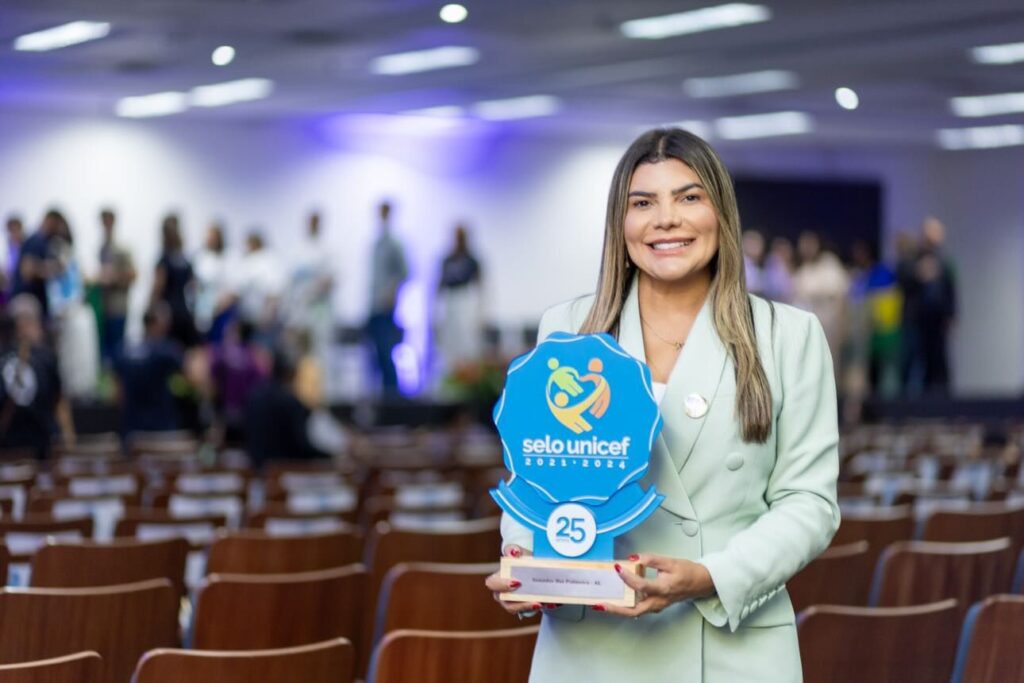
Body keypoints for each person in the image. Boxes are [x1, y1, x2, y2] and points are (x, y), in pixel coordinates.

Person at [485, 128, 839, 682]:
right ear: (619, 225)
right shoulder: (568, 327)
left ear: (721, 214)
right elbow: (536, 472)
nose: (666, 219)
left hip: (728, 645)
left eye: (689, 197)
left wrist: (709, 575)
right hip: (590, 648)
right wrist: (525, 564)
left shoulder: (787, 336)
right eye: (643, 203)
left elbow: (809, 502)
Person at [0, 294, 75, 458]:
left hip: (5, 454)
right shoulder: (46, 357)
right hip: (39, 453)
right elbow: (59, 403)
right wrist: (69, 440)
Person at [243, 346, 330, 469]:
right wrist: (330, 457)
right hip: (283, 473)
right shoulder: (292, 403)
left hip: (256, 470)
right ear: (292, 374)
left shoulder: (254, 395)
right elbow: (302, 446)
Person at [113, 303, 183, 435]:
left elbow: (118, 395)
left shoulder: (123, 350)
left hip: (131, 429)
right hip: (162, 430)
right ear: (156, 323)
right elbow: (191, 376)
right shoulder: (167, 351)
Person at [366, 201, 408, 395]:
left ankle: (393, 397)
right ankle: (382, 396)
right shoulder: (376, 244)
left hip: (385, 308)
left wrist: (391, 293)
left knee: (386, 351)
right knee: (377, 356)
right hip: (373, 307)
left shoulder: (394, 243)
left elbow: (404, 272)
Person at [434, 223, 484, 383]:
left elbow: (480, 286)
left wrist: (480, 312)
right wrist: (435, 311)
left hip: (465, 300)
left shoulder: (472, 260)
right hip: (450, 301)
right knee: (450, 343)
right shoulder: (447, 259)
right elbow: (440, 284)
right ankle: (450, 378)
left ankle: (468, 377)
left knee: (466, 342)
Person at [151, 213, 199, 348]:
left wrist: (150, 306)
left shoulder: (164, 260)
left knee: (168, 351)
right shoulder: (185, 260)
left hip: (167, 313)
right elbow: (194, 286)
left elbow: (158, 286)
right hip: (184, 310)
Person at [97, 209, 136, 364]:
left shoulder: (123, 248)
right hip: (104, 307)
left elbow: (134, 274)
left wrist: (114, 278)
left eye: (108, 221)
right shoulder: (102, 249)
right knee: (106, 352)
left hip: (118, 307)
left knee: (118, 351)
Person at [12, 210, 62, 320]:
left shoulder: (46, 242)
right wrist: (49, 269)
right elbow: (27, 272)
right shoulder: (35, 241)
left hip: (38, 301)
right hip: (28, 301)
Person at [193, 222, 233, 343]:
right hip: (203, 309)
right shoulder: (201, 257)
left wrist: (218, 307)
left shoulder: (227, 258)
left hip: (222, 310)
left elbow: (232, 290)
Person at [2, 215, 25, 303]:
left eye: (15, 230)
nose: (13, 233)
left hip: (23, 288)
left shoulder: (28, 245)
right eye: (10, 231)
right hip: (11, 287)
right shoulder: (8, 246)